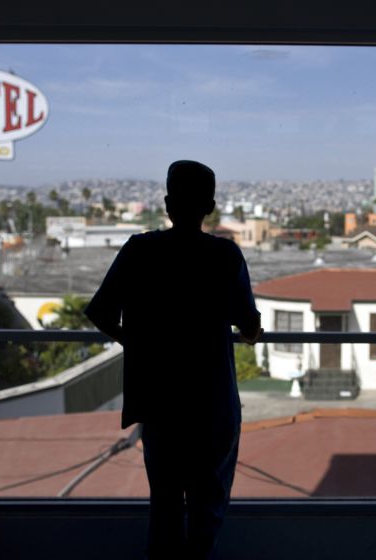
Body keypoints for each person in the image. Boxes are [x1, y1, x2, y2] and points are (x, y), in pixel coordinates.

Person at [85, 160, 261, 560]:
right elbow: (248, 326)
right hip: (212, 406)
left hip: (160, 404)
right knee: (207, 509)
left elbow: (100, 313)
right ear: (210, 206)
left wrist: (139, 344)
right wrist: (252, 332)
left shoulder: (140, 251)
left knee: (164, 508)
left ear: (167, 203)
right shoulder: (224, 256)